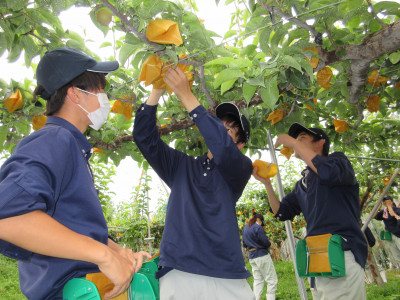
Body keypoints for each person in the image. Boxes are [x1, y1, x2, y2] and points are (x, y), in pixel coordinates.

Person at [0, 47, 150, 300]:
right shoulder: (55, 140)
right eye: (100, 90)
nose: (105, 99)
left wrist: (115, 251)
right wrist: (102, 256)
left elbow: (68, 223)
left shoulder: (72, 146)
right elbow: (9, 217)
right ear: (75, 94)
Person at [133, 67, 255, 300]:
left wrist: (186, 95)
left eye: (228, 129)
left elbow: (223, 148)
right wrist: (157, 91)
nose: (220, 129)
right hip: (179, 272)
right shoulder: (182, 166)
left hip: (225, 273)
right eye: (218, 124)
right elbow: (144, 139)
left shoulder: (240, 168)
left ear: (239, 145)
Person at [253, 123, 368, 300]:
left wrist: (293, 143)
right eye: (296, 139)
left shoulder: (338, 161)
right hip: (317, 255)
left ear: (320, 142)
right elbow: (281, 212)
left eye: (302, 138)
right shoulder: (302, 184)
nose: (295, 143)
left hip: (342, 251)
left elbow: (328, 172)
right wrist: (267, 183)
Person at [242, 212, 278, 300]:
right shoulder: (257, 227)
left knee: (258, 280)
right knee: (271, 280)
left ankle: (256, 298)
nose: (261, 224)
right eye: (262, 222)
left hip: (252, 257)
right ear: (259, 220)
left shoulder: (245, 228)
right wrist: (273, 248)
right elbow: (265, 242)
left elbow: (244, 244)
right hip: (261, 255)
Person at [374, 195, 400, 270]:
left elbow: (392, 214)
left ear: (391, 201)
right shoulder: (384, 212)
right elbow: (373, 216)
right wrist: (378, 206)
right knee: (397, 256)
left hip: (398, 235)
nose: (385, 202)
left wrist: (389, 206)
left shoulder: (397, 210)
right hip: (390, 236)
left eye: (386, 200)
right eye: (384, 201)